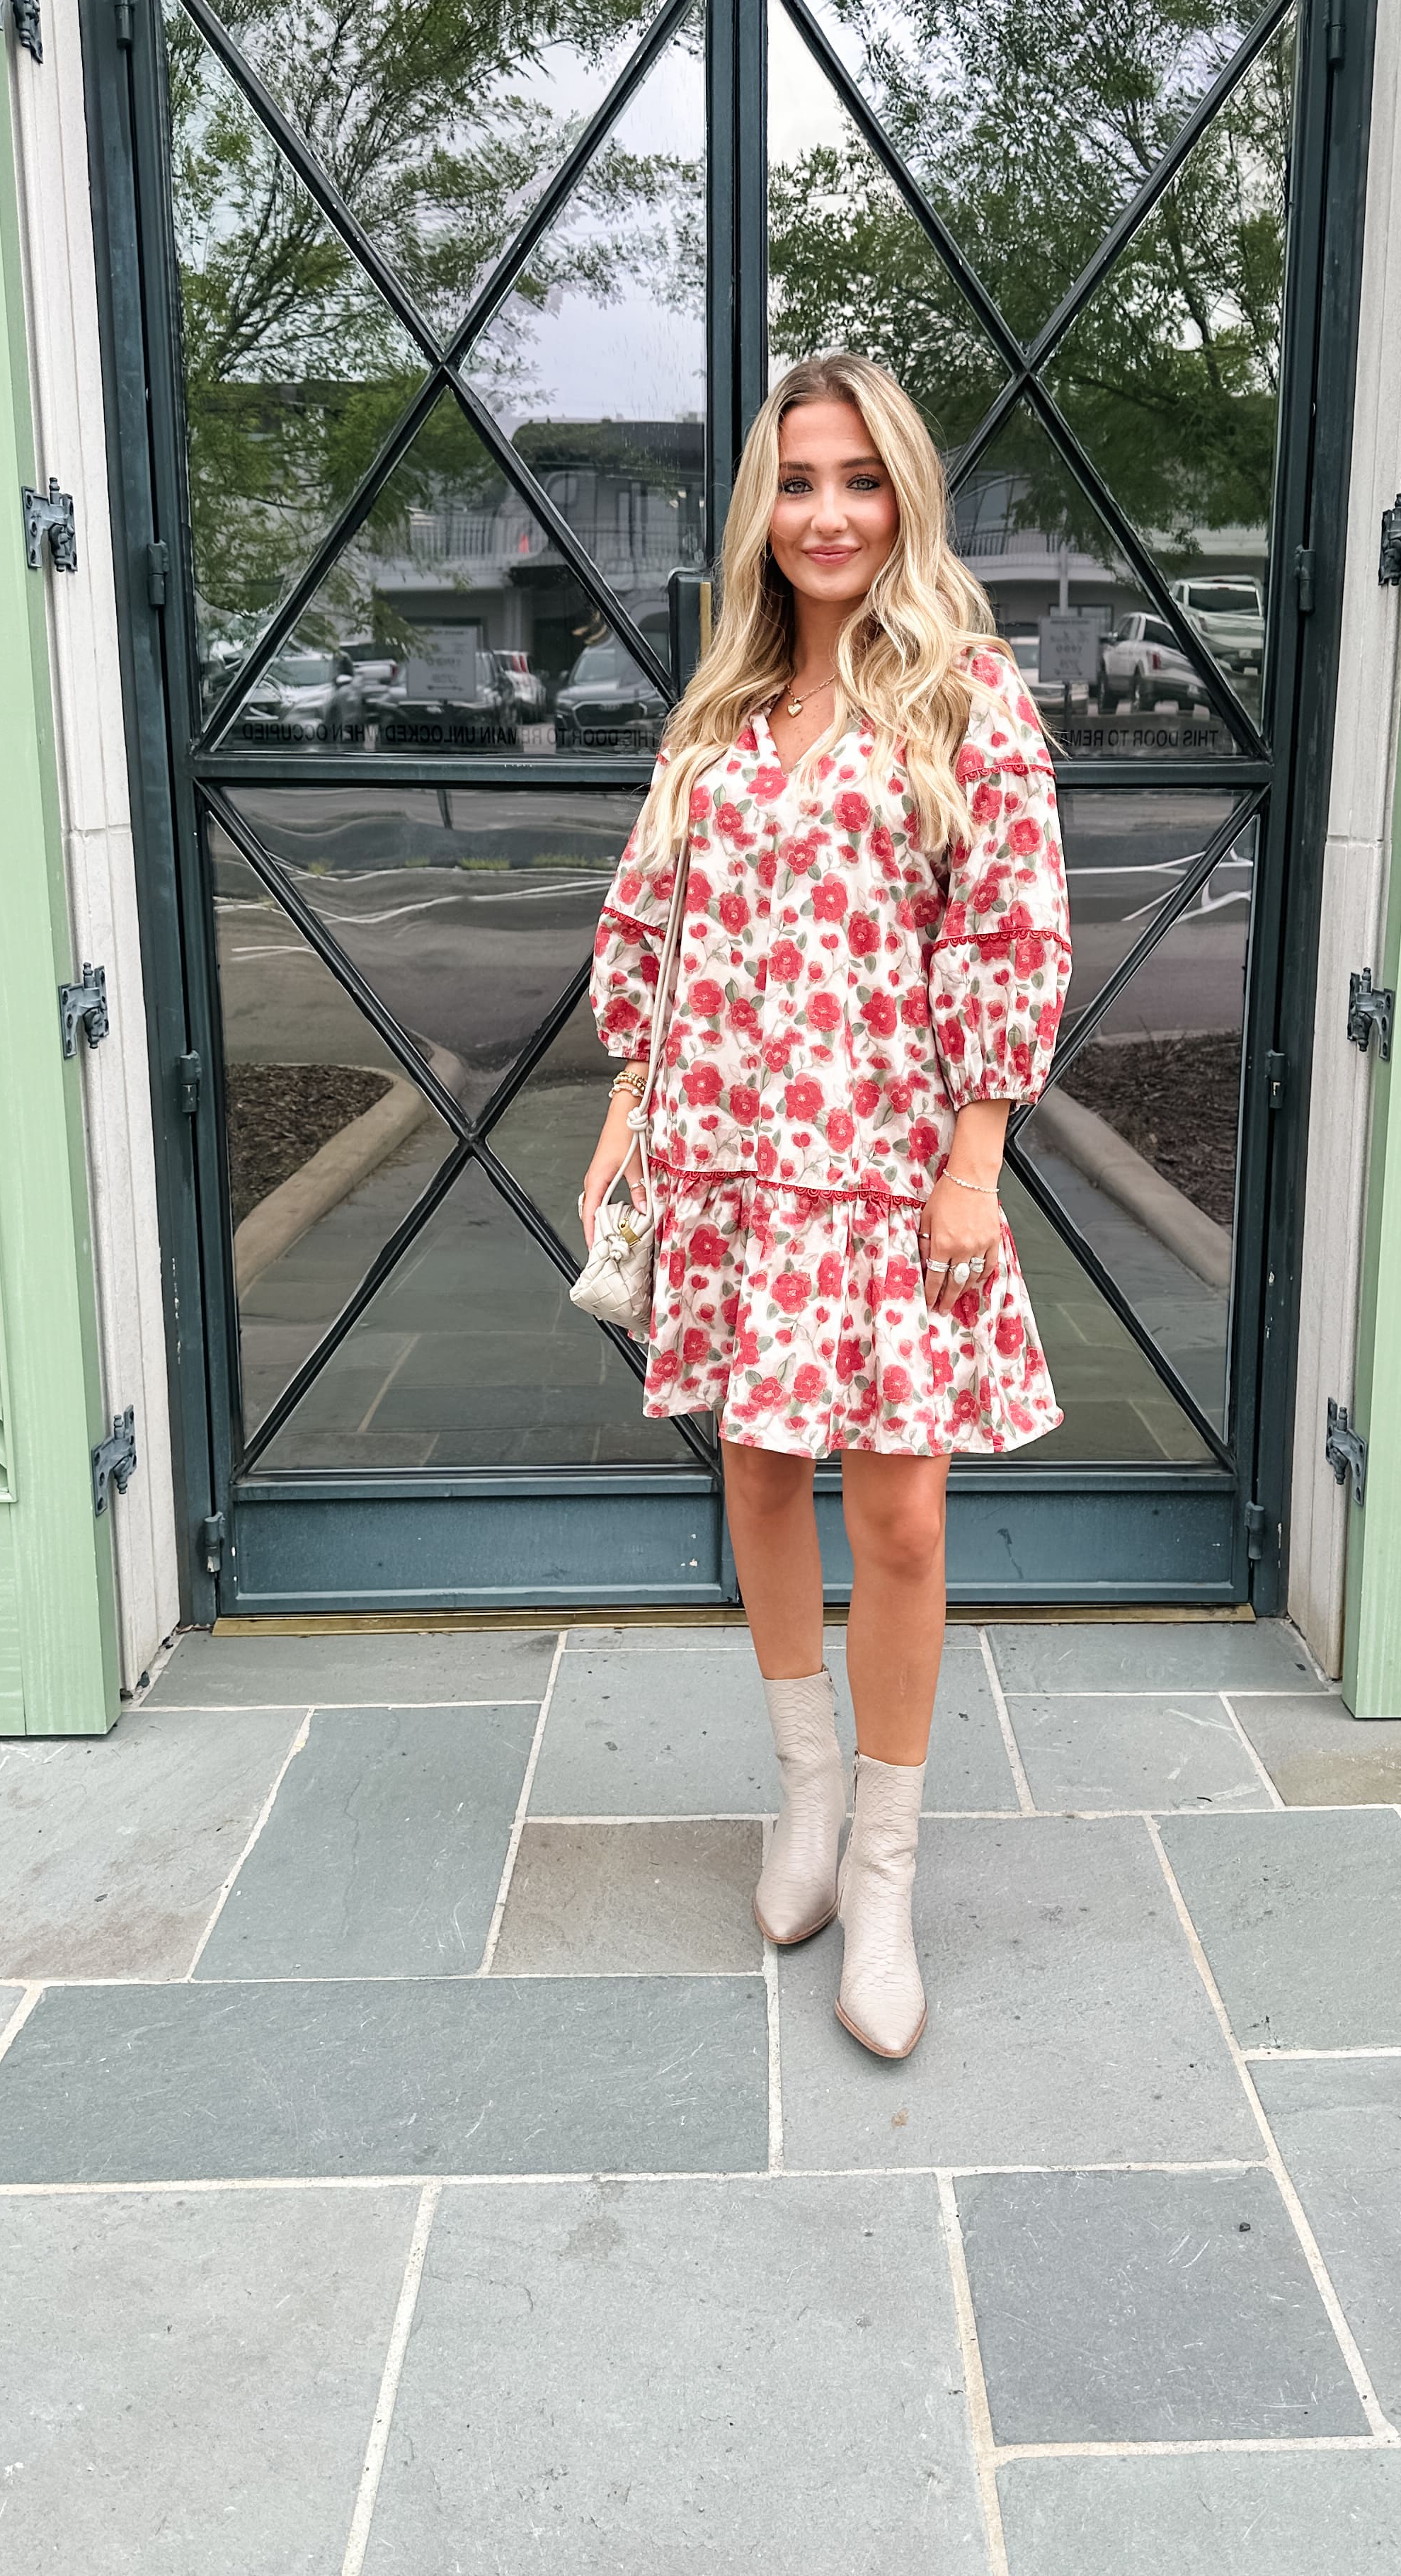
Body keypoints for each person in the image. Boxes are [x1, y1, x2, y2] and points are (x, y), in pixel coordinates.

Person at [581, 353, 1071, 2060]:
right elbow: (650, 920)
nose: (829, 512)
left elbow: (1011, 932)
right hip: (729, 1158)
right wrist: (634, 1101)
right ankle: (801, 1795)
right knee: (761, 1473)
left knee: (908, 1523)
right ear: (761, 511)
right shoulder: (719, 713)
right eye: (800, 481)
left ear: (905, 498)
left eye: (860, 479)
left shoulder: (969, 697)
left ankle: (884, 1869)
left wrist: (972, 1163)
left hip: (890, 1174)